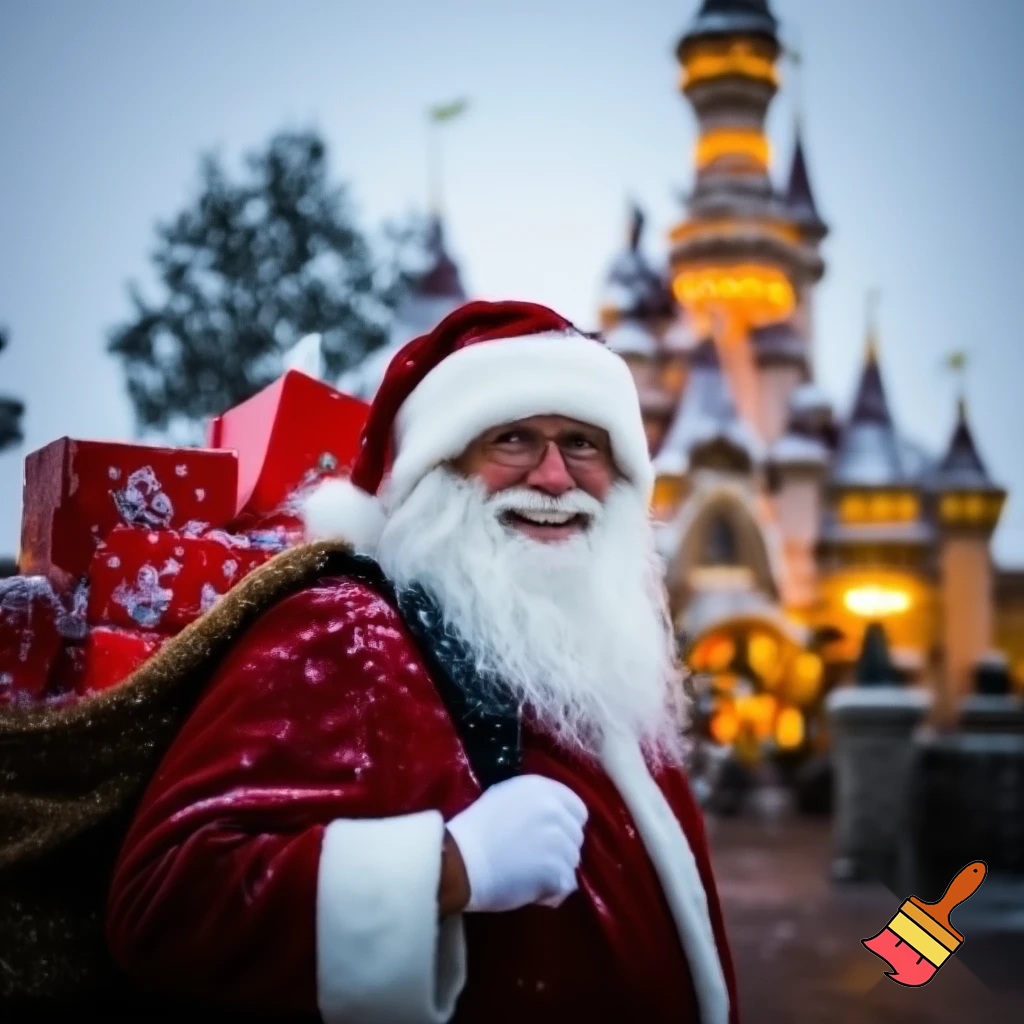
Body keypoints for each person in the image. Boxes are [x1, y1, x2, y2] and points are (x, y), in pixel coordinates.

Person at [106, 299, 739, 1023]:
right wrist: (447, 868)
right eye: (513, 438)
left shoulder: (603, 664)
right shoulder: (348, 632)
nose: (557, 477)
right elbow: (164, 899)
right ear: (439, 468)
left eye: (584, 444)